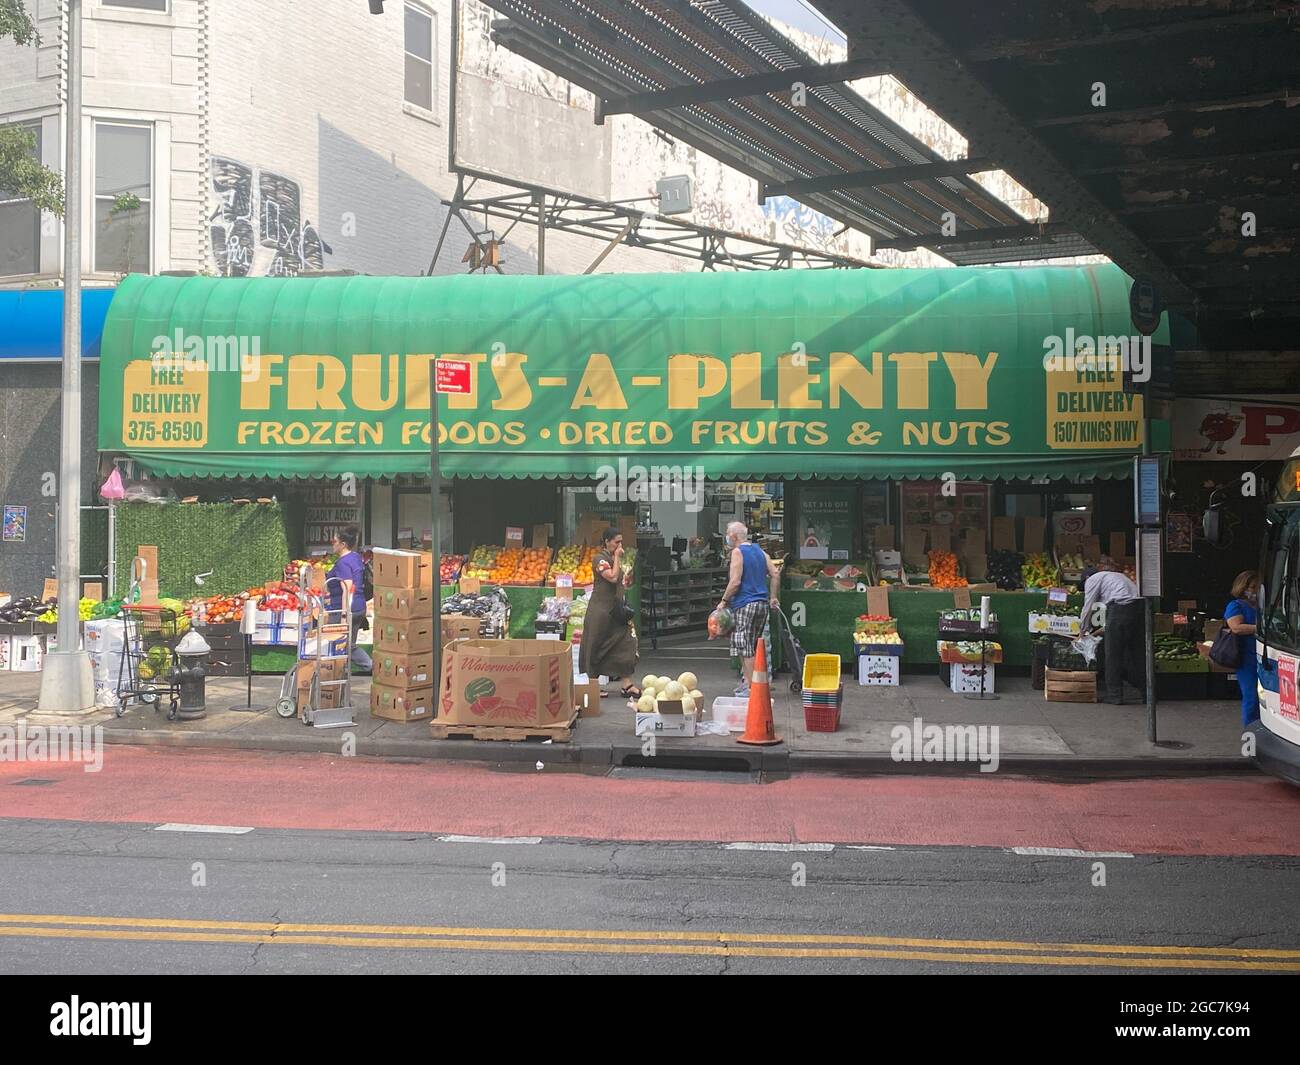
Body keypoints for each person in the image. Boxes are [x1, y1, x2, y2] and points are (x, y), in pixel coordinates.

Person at [717, 521, 781, 697]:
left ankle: (754, 689)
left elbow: (735, 581)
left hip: (745, 604)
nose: (727, 537)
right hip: (761, 605)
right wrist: (773, 597)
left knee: (744, 648)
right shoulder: (760, 552)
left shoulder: (738, 552)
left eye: (728, 534)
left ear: (734, 536)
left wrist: (723, 601)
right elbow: (775, 573)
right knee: (750, 645)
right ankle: (747, 683)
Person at [579, 527, 640, 699]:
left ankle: (627, 685)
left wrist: (627, 579)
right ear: (607, 541)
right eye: (616, 542)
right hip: (601, 611)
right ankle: (593, 685)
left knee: (627, 642)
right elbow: (612, 577)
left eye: (621, 541)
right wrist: (618, 558)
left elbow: (621, 580)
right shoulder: (600, 559)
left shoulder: (616, 559)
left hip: (617, 610)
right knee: (596, 645)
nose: (620, 545)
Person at [1081, 554, 1144, 704]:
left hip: (1121, 608)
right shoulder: (1116, 576)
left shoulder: (1092, 580)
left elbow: (1088, 606)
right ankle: (1148, 694)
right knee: (1138, 654)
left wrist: (1082, 629)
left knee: (1113, 653)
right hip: (1140, 608)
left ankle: (1115, 695)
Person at [327, 526, 371, 674]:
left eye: (334, 541)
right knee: (348, 644)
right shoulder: (355, 557)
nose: (332, 544)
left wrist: (344, 614)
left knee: (339, 642)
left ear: (343, 544)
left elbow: (347, 587)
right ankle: (344, 670)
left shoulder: (343, 563)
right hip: (359, 606)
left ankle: (368, 666)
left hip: (346, 608)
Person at [1224, 570, 1260, 727]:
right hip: (1247, 658)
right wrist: (1260, 629)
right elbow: (1236, 627)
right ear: (1243, 587)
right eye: (1253, 587)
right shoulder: (1235, 606)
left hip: (1263, 656)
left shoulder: (1260, 606)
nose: (1255, 591)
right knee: (1251, 697)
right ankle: (1250, 736)